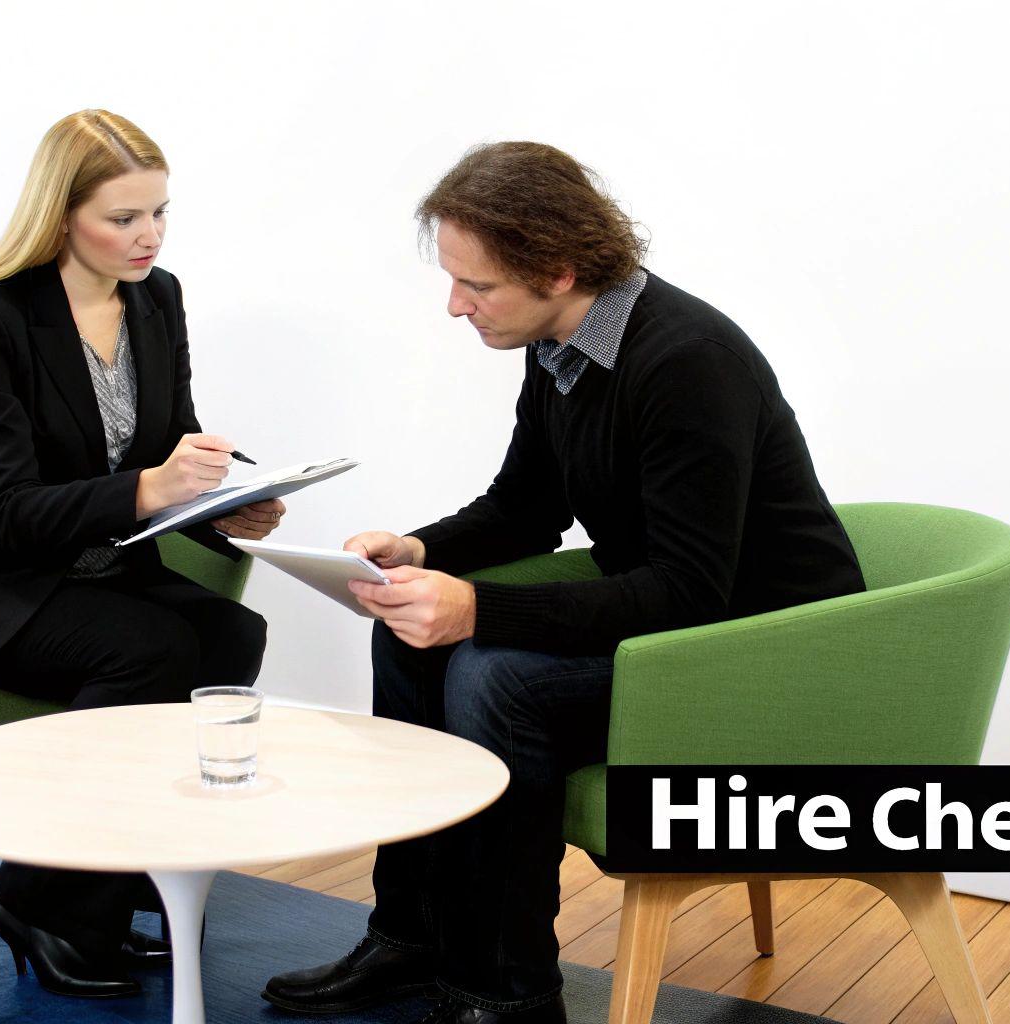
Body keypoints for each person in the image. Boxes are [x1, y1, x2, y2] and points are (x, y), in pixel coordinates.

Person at [261, 142, 868, 1024]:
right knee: (409, 640)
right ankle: (414, 936)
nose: (455, 305)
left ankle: (508, 995)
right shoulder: (560, 346)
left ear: (558, 270)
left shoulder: (688, 361)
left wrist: (480, 609)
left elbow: (691, 592)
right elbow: (525, 506)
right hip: (678, 624)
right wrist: (418, 552)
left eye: (477, 285)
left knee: (497, 678)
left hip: (759, 647)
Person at [0, 109, 285, 999]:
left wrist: (224, 507)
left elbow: (172, 440)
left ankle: (114, 876)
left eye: (161, 212)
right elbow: (2, 512)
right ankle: (41, 900)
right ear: (61, 215)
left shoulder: (157, 296)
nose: (150, 236)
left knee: (234, 636)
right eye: (124, 218)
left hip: (100, 568)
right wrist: (151, 488)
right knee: (149, 649)